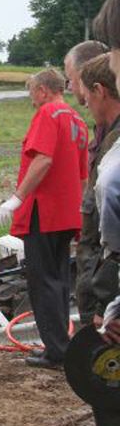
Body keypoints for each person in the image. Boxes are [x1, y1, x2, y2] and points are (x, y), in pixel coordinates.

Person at [0, 69, 88, 369]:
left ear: (44, 90)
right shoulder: (76, 120)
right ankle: (60, 344)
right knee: (60, 279)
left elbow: (44, 158)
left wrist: (17, 198)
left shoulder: (49, 114)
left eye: (32, 91)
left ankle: (57, 351)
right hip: (66, 212)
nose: (31, 99)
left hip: (45, 212)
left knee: (43, 281)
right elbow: (82, 174)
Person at [63, 41, 111, 325]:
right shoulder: (102, 125)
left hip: (103, 261)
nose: (71, 87)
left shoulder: (113, 133)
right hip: (94, 252)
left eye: (71, 79)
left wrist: (106, 305)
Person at [75, 54, 120, 325]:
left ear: (99, 91)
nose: (86, 104)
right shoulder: (109, 136)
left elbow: (112, 243)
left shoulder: (115, 146)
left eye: (86, 96)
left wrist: (107, 303)